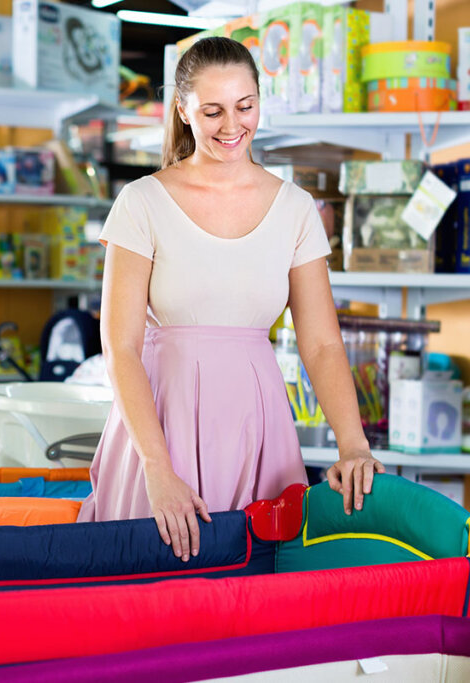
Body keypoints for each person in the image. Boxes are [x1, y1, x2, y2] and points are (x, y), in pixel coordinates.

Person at [77, 37, 385, 563]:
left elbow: (321, 343)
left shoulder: (294, 208)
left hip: (257, 428)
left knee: (254, 590)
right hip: (161, 429)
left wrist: (352, 445)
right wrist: (156, 466)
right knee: (146, 591)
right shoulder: (143, 201)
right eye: (212, 111)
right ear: (182, 109)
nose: (231, 126)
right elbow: (120, 346)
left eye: (245, 107)